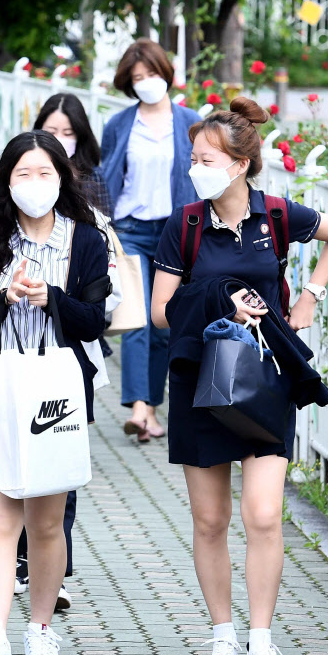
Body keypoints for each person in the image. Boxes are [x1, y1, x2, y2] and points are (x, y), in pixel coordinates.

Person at [151, 97, 328, 655]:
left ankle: (262, 645)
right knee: (210, 520)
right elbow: (161, 313)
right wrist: (219, 302)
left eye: (207, 158)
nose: (196, 167)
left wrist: (310, 295)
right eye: (193, 158)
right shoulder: (184, 224)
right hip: (200, 384)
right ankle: (222, 638)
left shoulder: (275, 216)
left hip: (266, 380)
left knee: (263, 515)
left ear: (239, 165)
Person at [0, 131, 109, 655]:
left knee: (46, 524)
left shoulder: (86, 241)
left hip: (56, 392)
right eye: (23, 174)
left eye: (45, 173)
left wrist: (53, 298)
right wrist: (3, 297)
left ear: (62, 178)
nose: (34, 184)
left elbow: (97, 323)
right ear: (7, 181)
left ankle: (40, 632)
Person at [13, 94, 122, 609]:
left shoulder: (89, 219)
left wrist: (52, 298)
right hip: (9, 368)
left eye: (66, 132)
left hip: (69, 365)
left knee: (60, 471)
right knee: (14, 477)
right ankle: (22, 559)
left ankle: (51, 570)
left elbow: (94, 313)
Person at [101, 38, 200, 442]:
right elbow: (107, 175)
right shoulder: (120, 124)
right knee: (137, 319)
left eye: (152, 74)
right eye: (138, 78)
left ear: (166, 75)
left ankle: (153, 408)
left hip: (174, 233)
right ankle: (140, 409)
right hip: (131, 230)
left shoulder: (190, 121)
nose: (146, 83)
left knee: (164, 322)